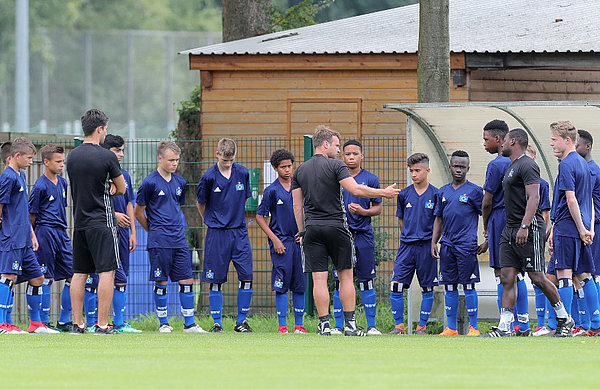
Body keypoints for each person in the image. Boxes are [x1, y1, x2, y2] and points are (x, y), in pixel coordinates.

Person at [291, 125, 399, 336]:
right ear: (325, 144)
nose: (339, 150)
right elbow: (356, 189)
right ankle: (350, 325)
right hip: (337, 228)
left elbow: (297, 206)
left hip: (312, 229)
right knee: (346, 277)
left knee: (319, 279)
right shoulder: (336, 165)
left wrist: (302, 232)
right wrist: (383, 193)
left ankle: (324, 325)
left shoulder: (300, 170)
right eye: (337, 146)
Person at [482, 129, 573, 337]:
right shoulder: (511, 166)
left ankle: (564, 318)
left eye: (504, 140)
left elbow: (534, 198)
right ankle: (505, 327)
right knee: (507, 276)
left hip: (528, 228)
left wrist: (524, 226)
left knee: (537, 277)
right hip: (509, 229)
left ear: (513, 141)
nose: (501, 144)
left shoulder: (528, 164)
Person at [66, 108, 126, 335]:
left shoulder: (73, 156)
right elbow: (121, 188)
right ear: (100, 129)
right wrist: (109, 188)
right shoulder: (107, 156)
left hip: (80, 222)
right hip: (103, 222)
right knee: (106, 272)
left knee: (79, 273)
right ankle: (102, 324)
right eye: (105, 130)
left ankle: (77, 324)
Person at [135, 141, 205, 333]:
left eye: (177, 160)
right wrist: (152, 229)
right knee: (162, 281)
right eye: (171, 160)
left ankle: (189, 323)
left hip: (179, 240)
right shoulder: (149, 183)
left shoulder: (180, 182)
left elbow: (177, 207)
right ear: (160, 158)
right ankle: (163, 323)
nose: (174, 163)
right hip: (159, 240)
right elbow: (138, 212)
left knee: (187, 280)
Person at [544, 121, 598, 337]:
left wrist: (565, 228)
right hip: (580, 228)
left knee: (564, 275)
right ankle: (596, 322)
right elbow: (591, 202)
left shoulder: (566, 164)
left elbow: (571, 199)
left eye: (554, 139)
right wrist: (588, 229)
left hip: (568, 227)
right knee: (584, 276)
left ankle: (563, 324)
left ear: (568, 141)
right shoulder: (584, 164)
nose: (551, 144)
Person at [0, 138, 58, 334]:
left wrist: (31, 234)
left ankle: (36, 324)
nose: (32, 161)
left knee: (37, 277)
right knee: (8, 277)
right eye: (29, 157)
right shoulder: (7, 177)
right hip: (12, 238)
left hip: (24, 239)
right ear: (16, 156)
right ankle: (3, 324)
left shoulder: (21, 176)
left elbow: (23, 209)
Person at [197, 138, 253, 333]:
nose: (228, 163)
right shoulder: (208, 177)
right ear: (217, 154)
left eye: (231, 160)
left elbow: (245, 199)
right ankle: (217, 323)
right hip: (217, 234)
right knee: (215, 279)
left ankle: (241, 322)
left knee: (246, 277)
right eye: (224, 160)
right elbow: (201, 204)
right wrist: (212, 221)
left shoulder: (243, 173)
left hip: (239, 232)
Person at [482, 120, 530, 333]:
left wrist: (485, 225)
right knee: (518, 273)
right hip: (519, 220)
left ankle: (506, 323)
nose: (484, 144)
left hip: (500, 218)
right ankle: (523, 323)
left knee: (502, 272)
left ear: (498, 139)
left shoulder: (496, 164)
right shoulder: (522, 161)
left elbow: (487, 201)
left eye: (486, 139)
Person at [330, 140, 382, 336]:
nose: (351, 157)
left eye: (355, 154)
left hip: (363, 235)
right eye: (347, 154)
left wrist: (363, 211)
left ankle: (371, 326)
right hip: (341, 235)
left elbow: (377, 208)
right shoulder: (337, 179)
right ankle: (338, 325)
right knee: (339, 280)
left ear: (362, 156)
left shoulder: (371, 179)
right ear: (342, 156)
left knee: (366, 280)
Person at [431, 150, 485, 336]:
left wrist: (487, 239)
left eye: (463, 167)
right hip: (447, 245)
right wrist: (434, 242)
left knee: (469, 285)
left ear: (468, 168)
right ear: (450, 167)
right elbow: (438, 218)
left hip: (466, 246)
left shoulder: (475, 191)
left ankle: (474, 327)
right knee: (449, 286)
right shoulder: (442, 192)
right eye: (456, 166)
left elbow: (486, 214)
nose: (459, 170)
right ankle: (451, 328)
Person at [256, 149, 307, 334]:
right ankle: (282, 325)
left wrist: (304, 232)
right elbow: (260, 217)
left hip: (299, 242)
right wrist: (275, 239)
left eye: (290, 166)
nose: (287, 170)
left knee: (300, 283)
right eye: (283, 167)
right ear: (275, 168)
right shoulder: (271, 191)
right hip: (281, 244)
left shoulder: (300, 188)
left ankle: (299, 326)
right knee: (281, 283)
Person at [390, 153, 438, 335]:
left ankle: (422, 327)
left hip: (427, 246)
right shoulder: (403, 194)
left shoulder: (436, 194)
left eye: (417, 170)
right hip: (407, 246)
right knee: (396, 285)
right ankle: (399, 327)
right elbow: (401, 221)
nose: (413, 174)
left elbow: (438, 222)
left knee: (427, 287)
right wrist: (407, 237)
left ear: (427, 170)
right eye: (411, 171)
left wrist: (433, 242)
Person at [29, 144, 74, 332]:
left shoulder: (63, 183)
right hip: (45, 232)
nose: (61, 165)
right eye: (58, 162)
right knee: (45, 277)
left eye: (63, 161)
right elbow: (31, 215)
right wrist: (33, 237)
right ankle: (43, 321)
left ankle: (64, 321)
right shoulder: (39, 186)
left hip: (61, 233)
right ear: (46, 162)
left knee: (74, 274)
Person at [101, 134, 141, 333]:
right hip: (104, 229)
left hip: (123, 233)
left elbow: (129, 204)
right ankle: (94, 322)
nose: (121, 154)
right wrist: (112, 214)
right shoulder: (98, 174)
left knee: (122, 277)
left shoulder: (124, 176)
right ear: (107, 151)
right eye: (117, 150)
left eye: (122, 150)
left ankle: (119, 322)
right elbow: (93, 202)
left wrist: (133, 232)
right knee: (99, 276)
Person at [575, 129, 600, 335]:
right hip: (585, 227)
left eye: (577, 146)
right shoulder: (584, 167)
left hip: (592, 227)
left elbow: (588, 202)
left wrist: (587, 228)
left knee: (590, 273)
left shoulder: (590, 170)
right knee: (579, 273)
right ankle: (584, 322)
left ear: (587, 147)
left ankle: (592, 322)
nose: (574, 150)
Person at [524, 145, 552, 331]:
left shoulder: (541, 184)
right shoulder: (515, 181)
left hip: (533, 234)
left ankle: (541, 323)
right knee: (514, 276)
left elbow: (545, 213)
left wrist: (541, 235)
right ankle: (519, 323)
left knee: (537, 276)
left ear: (533, 160)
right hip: (516, 234)